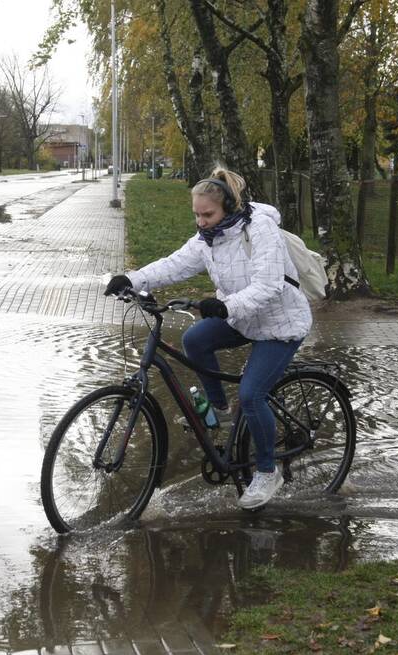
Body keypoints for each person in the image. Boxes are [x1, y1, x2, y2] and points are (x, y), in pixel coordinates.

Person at [103, 165, 312, 509]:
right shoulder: (208, 237)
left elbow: (270, 286)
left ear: (228, 206)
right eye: (196, 215)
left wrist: (225, 307)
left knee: (252, 393)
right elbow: (175, 264)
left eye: (207, 214)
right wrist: (132, 279)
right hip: (242, 317)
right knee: (195, 340)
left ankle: (266, 470)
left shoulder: (260, 229)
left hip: (280, 322)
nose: (200, 222)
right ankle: (219, 410)